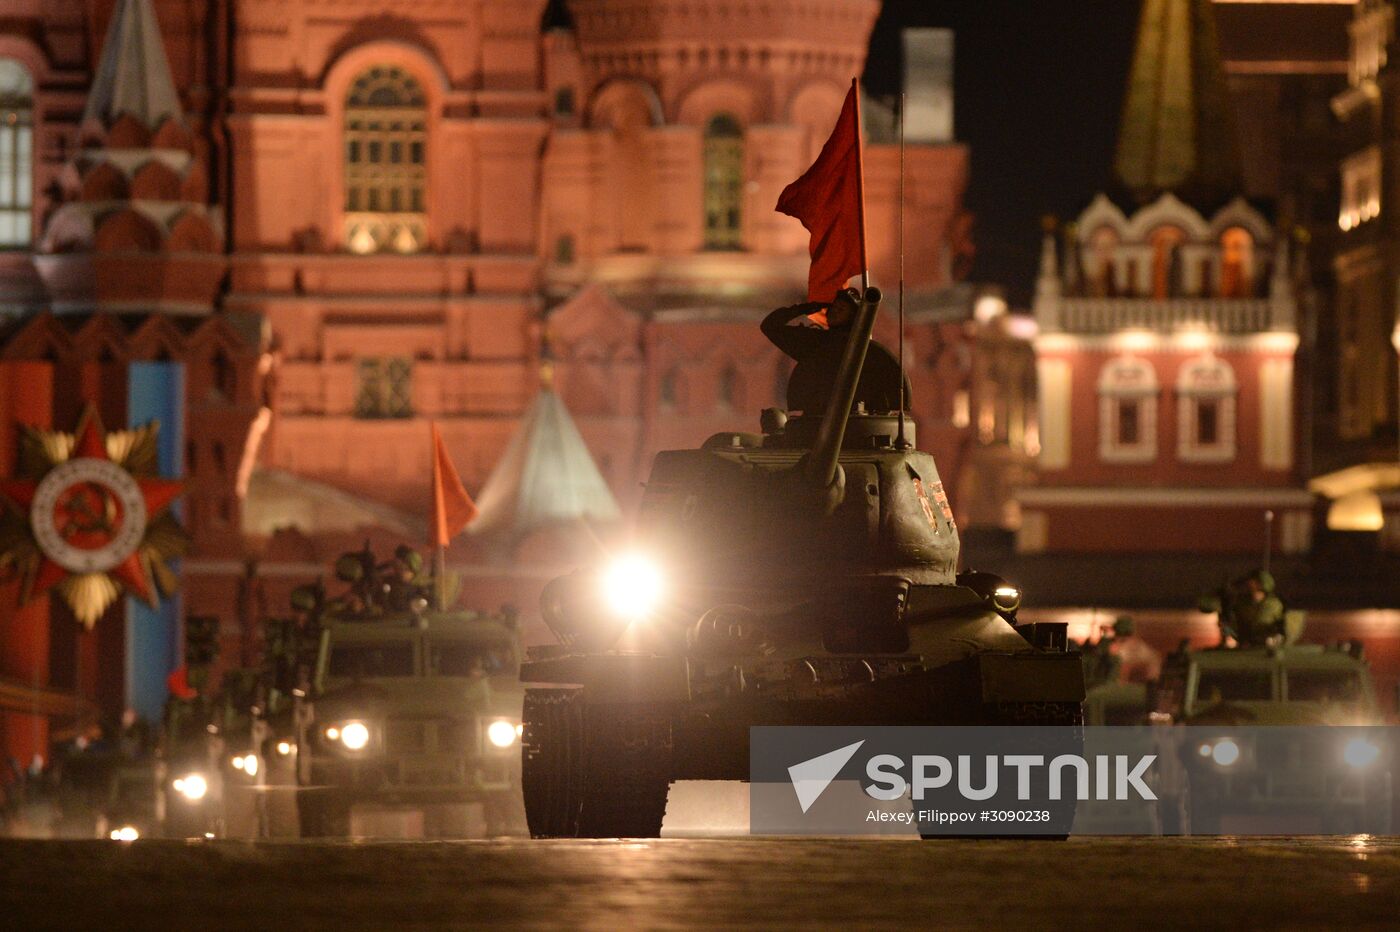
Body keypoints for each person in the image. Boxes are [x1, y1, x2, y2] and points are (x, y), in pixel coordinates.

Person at [761, 287, 909, 416]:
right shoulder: (817, 342)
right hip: (817, 416)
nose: (834, 312)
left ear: (853, 317)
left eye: (841, 309)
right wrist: (804, 309)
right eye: (833, 307)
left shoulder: (866, 351)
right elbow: (770, 326)